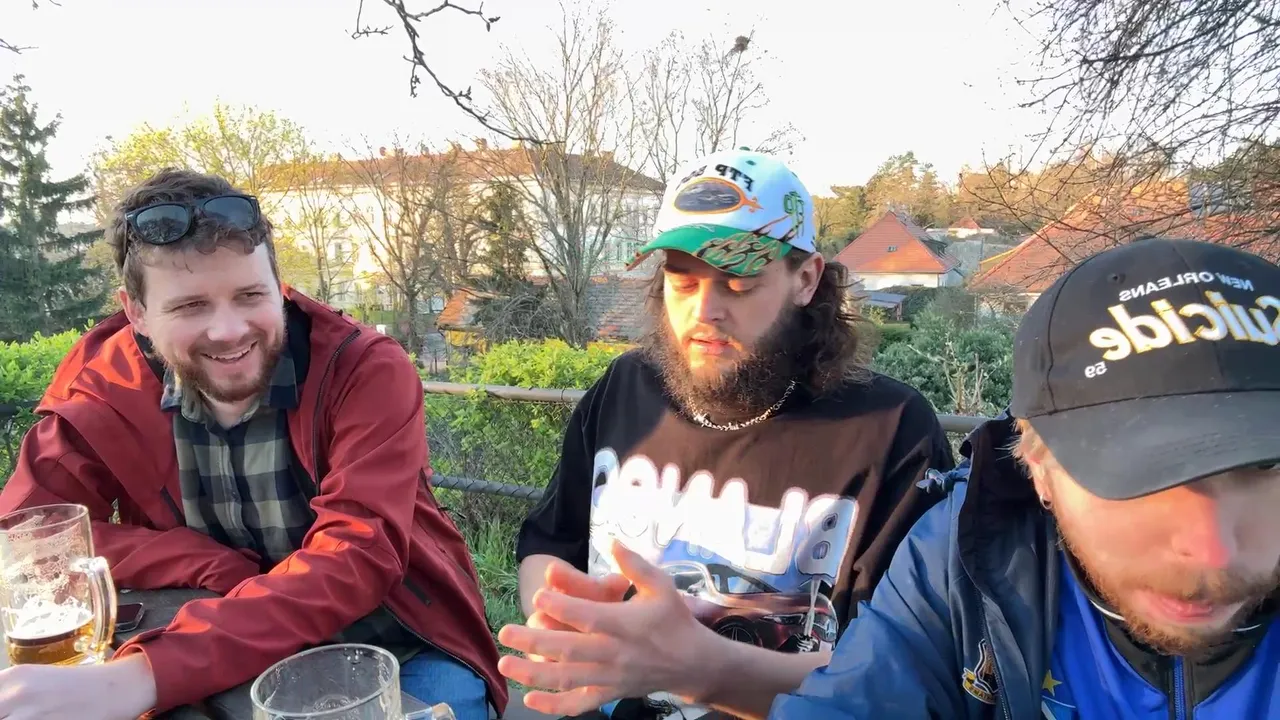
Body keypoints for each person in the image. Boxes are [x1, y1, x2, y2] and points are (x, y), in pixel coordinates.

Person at [0, 169, 505, 720]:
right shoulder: (104, 387)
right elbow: (25, 539)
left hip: (399, 638)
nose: (229, 330)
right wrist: (200, 562)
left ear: (279, 287)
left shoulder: (362, 370)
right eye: (190, 306)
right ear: (136, 312)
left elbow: (358, 553)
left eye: (250, 295)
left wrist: (147, 675)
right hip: (209, 631)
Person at [499, 148, 956, 719]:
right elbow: (550, 541)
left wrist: (701, 669)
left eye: (738, 282)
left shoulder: (890, 431)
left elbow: (901, 674)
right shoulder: (624, 389)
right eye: (683, 282)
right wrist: (558, 615)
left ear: (806, 279)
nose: (704, 311)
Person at [760, 237, 1280, 718]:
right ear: (1037, 468)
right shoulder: (964, 556)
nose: (1213, 551)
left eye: (1267, 465)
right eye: (1140, 474)